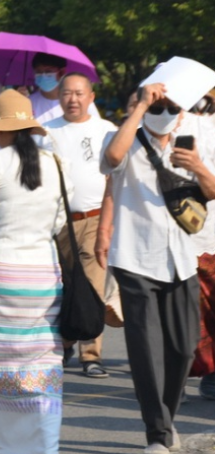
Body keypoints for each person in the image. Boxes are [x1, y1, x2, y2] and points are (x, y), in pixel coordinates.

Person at [99, 79, 215, 454]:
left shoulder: (190, 143)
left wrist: (197, 166)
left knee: (184, 347)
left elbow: (211, 193)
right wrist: (137, 107)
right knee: (146, 348)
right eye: (155, 108)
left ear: (181, 113)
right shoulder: (125, 140)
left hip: (182, 257)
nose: (162, 114)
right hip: (134, 257)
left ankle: (165, 419)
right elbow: (111, 160)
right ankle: (157, 435)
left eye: (170, 108)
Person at [0, 89, 65, 454]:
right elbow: (57, 222)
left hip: (0, 275)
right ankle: (44, 446)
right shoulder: (55, 162)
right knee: (43, 367)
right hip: (43, 275)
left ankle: (3, 446)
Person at [43, 73, 116, 379]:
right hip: (57, 221)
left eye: (79, 93)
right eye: (66, 93)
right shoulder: (45, 131)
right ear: (59, 97)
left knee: (92, 284)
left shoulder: (106, 130)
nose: (72, 99)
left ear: (91, 97)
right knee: (62, 286)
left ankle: (91, 353)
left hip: (95, 217)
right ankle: (63, 344)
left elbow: (115, 176)